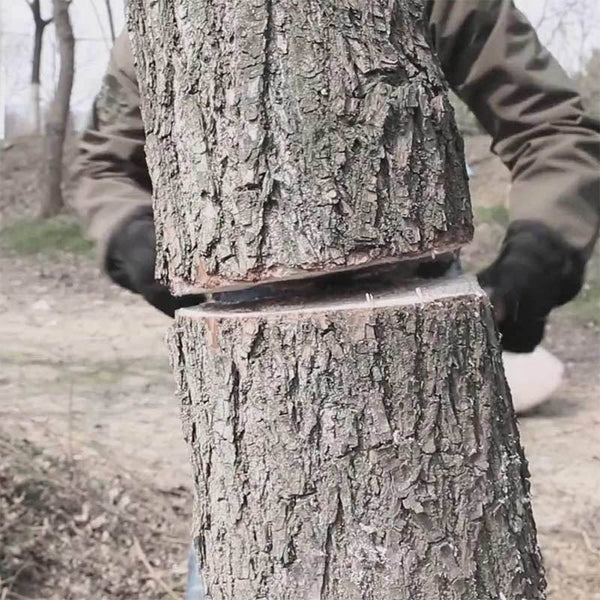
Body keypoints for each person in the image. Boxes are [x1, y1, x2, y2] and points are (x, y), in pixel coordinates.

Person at [72, 1, 599, 597]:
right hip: (251, 365)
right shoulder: (170, 12)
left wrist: (542, 249)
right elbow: (104, 166)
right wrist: (134, 241)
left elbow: (551, 125)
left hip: (421, 349)